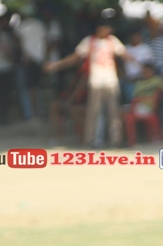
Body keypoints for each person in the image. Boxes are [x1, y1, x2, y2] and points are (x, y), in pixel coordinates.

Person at [46, 14, 132, 148]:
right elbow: (75, 57)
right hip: (96, 81)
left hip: (111, 81)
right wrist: (57, 65)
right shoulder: (89, 41)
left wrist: (139, 64)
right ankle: (91, 140)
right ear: (100, 28)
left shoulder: (112, 41)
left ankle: (116, 140)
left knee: (113, 112)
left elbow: (124, 54)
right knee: (94, 112)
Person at [15, 6, 47, 121]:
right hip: (39, 58)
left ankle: (32, 113)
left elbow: (18, 43)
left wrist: (25, 55)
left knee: (29, 87)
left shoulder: (21, 26)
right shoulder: (40, 25)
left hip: (28, 59)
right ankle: (38, 111)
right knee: (36, 86)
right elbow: (44, 41)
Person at [123, 62, 163, 145]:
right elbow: (134, 97)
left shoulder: (157, 80)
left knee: (131, 114)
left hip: (149, 106)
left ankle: (156, 136)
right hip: (138, 106)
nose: (145, 73)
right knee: (124, 114)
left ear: (152, 71)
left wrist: (154, 95)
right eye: (143, 71)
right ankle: (130, 142)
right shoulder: (139, 83)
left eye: (147, 71)